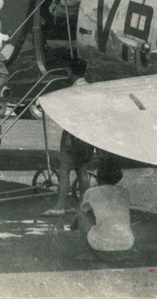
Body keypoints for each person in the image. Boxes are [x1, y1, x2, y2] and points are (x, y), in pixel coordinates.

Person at [43, 60, 94, 217]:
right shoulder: (91, 89)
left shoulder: (72, 92)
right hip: (88, 134)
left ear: (70, 71)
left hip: (73, 134)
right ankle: (82, 205)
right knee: (82, 171)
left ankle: (60, 206)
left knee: (64, 171)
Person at [77, 160, 135, 258]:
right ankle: (122, 242)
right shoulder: (125, 191)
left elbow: (84, 211)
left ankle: (88, 251)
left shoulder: (91, 192)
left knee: (81, 213)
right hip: (127, 243)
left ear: (98, 177)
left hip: (99, 244)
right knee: (120, 214)